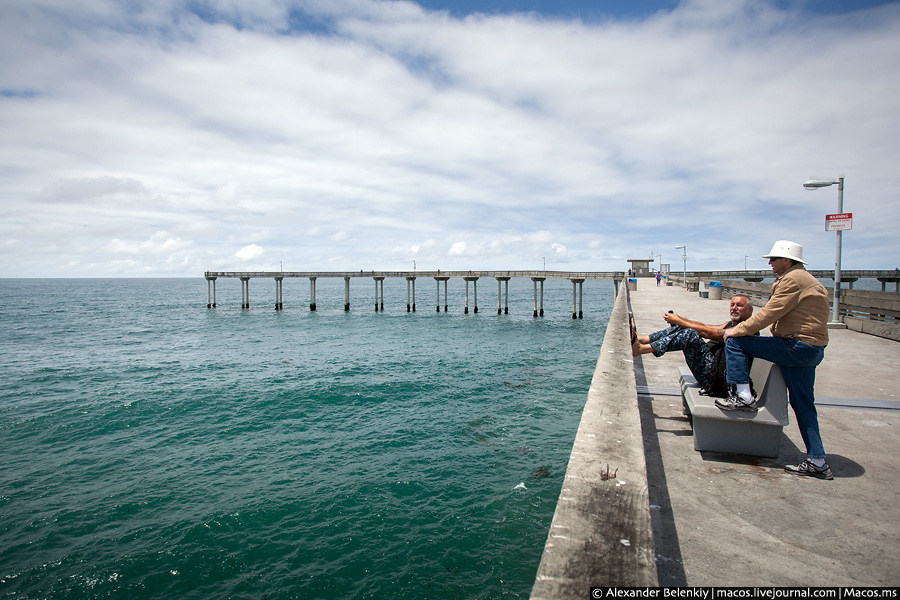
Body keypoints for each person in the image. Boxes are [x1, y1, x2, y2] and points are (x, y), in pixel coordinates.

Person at [719, 240, 832, 480]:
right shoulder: (810, 281)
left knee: (736, 342)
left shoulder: (793, 279)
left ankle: (743, 396)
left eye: (773, 259)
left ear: (787, 261)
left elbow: (769, 313)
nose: (769, 263)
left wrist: (735, 330)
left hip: (796, 346)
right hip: (811, 349)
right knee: (803, 405)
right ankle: (817, 460)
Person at [631, 294, 753, 395]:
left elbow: (707, 332)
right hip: (711, 369)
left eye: (740, 305)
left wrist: (679, 320)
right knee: (684, 327)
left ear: (750, 310)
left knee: (689, 334)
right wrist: (681, 321)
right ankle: (643, 340)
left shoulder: (745, 330)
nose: (734, 308)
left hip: (717, 380)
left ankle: (641, 349)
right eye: (732, 305)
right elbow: (706, 327)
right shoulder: (730, 325)